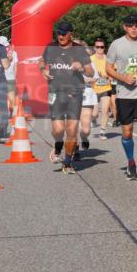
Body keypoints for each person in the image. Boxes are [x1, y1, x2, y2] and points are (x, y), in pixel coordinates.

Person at [40, 21, 94, 175]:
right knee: (58, 130)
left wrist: (81, 68)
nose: (61, 36)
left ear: (71, 34)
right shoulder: (51, 47)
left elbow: (90, 72)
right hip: (55, 92)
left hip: (75, 93)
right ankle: (58, 145)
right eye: (59, 33)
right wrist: (43, 70)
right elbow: (42, 60)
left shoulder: (79, 50)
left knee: (71, 130)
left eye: (64, 33)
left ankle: (68, 162)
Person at [106, 14, 137, 182]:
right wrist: (123, 78)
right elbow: (108, 68)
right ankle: (131, 162)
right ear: (124, 27)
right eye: (130, 25)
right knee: (127, 132)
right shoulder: (117, 45)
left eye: (136, 25)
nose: (134, 28)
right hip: (125, 94)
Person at [90, 38, 113, 140]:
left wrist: (109, 77)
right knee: (94, 113)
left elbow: (113, 72)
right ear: (94, 48)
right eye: (97, 47)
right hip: (93, 89)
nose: (100, 49)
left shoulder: (108, 59)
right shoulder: (90, 59)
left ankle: (102, 131)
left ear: (104, 48)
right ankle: (93, 119)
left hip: (105, 88)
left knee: (105, 110)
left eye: (102, 47)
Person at [0, 36, 18, 117]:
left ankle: (6, 113)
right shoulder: (14, 53)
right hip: (11, 77)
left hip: (1, 77)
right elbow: (16, 66)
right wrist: (15, 76)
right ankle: (14, 113)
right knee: (12, 96)